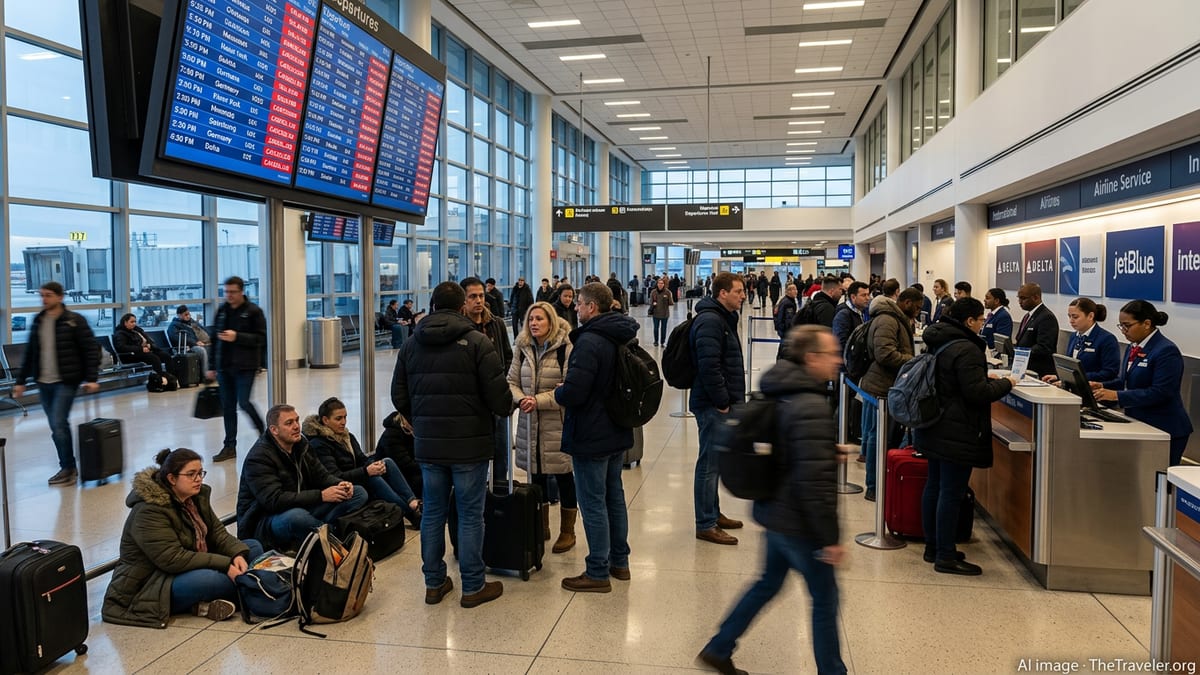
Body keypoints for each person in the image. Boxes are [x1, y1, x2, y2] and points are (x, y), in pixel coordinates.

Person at [698, 325, 848, 675]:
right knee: (825, 600)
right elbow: (814, 482)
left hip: (774, 512)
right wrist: (830, 538)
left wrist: (826, 450)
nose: (838, 361)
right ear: (811, 358)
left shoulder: (781, 389)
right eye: (831, 354)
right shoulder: (810, 403)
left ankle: (719, 647)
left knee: (767, 584)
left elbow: (791, 449)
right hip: (801, 524)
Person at [392, 281, 513, 608]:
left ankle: (434, 583)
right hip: (470, 447)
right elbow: (500, 398)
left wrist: (418, 421)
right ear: (462, 307)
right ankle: (473, 586)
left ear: (431, 306)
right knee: (471, 514)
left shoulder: (412, 344)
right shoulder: (476, 342)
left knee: (433, 512)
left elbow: (398, 395)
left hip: (429, 446)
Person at [913, 299, 1017, 575]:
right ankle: (945, 556)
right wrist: (1006, 383)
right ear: (970, 321)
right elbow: (977, 393)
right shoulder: (967, 349)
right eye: (980, 319)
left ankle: (933, 547)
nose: (983, 323)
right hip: (956, 430)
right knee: (951, 492)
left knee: (934, 486)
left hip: (934, 424)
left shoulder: (939, 339)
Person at [103, 448, 263, 627]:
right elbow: (173, 559)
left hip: (188, 565)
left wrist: (236, 555)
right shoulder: (149, 511)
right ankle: (260, 589)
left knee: (252, 547)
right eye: (191, 474)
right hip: (151, 583)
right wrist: (226, 565)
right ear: (172, 479)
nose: (198, 479)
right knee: (212, 580)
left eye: (200, 473)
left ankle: (207, 603)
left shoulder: (194, 497)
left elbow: (218, 534)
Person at [553, 283, 638, 592]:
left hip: (591, 432)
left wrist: (559, 390)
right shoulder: (620, 334)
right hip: (616, 427)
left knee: (592, 502)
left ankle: (598, 571)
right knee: (614, 496)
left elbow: (575, 392)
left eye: (580, 304)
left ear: (591, 307)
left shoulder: (589, 341)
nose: (576, 309)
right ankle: (620, 561)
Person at [235, 405, 367, 551]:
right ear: (274, 430)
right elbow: (274, 501)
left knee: (357, 492)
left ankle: (315, 533)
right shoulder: (259, 457)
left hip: (303, 505)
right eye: (289, 423)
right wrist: (321, 496)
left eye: (297, 421)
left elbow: (321, 476)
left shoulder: (301, 444)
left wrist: (340, 484)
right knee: (297, 517)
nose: (296, 426)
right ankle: (334, 543)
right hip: (266, 520)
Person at [12, 281, 100, 486]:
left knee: (59, 423)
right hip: (44, 381)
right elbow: (31, 353)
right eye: (42, 295)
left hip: (66, 381)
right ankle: (68, 466)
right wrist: (20, 381)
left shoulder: (74, 321)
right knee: (55, 426)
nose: (44, 299)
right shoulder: (38, 321)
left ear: (60, 297)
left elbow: (90, 350)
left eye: (48, 295)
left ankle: (68, 468)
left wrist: (92, 378)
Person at [509, 302, 577, 553]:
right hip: (529, 422)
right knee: (535, 476)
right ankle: (541, 525)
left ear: (552, 321)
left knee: (563, 476)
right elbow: (511, 381)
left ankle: (567, 531)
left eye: (540, 319)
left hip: (556, 423)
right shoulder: (522, 347)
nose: (534, 323)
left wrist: (537, 401)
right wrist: (521, 399)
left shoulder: (565, 348)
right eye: (531, 319)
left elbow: (567, 388)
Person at [1093, 300, 1194, 466]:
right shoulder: (1134, 346)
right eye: (1121, 326)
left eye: (1127, 326)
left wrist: (1116, 396)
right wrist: (1103, 386)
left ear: (1147, 323)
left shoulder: (1166, 351)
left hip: (1165, 427)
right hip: (1139, 423)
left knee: (1159, 486)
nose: (1123, 331)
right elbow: (1125, 381)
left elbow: (1161, 392)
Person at [690, 272, 748, 545]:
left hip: (720, 402)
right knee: (709, 465)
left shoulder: (723, 318)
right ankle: (705, 522)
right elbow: (709, 366)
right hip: (712, 404)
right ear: (722, 293)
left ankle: (713, 513)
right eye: (738, 291)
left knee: (715, 462)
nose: (743, 296)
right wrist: (722, 401)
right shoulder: (711, 321)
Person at [304, 397, 422, 529]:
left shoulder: (347, 436)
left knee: (387, 462)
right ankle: (411, 513)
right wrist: (366, 471)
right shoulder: (319, 444)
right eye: (338, 419)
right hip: (343, 484)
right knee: (372, 478)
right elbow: (334, 476)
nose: (344, 422)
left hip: (357, 476)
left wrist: (374, 465)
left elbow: (362, 458)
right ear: (325, 420)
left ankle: (412, 501)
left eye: (345, 417)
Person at [859, 286, 923, 501]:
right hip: (881, 387)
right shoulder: (888, 320)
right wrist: (913, 361)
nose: (919, 310)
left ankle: (878, 483)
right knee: (879, 437)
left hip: (883, 386)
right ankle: (874, 485)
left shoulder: (894, 318)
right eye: (918, 306)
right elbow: (885, 354)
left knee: (877, 435)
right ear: (906, 303)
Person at [208, 276, 267, 463]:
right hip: (225, 367)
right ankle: (229, 446)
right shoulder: (222, 311)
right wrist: (211, 366)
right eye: (226, 292)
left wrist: (237, 337)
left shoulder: (253, 312)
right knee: (228, 407)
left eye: (233, 292)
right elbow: (215, 340)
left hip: (246, 366)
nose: (229, 296)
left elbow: (260, 339)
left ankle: (265, 435)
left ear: (242, 291)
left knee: (244, 402)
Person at [462, 277, 514, 485]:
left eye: (481, 296)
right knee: (474, 451)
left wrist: (502, 380)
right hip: (471, 401)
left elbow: (508, 355)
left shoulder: (496, 324)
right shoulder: (460, 327)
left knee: (501, 447)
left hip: (495, 398)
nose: (478, 301)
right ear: (463, 300)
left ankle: (500, 485)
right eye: (473, 296)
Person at [1042, 298, 1119, 383]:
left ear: (1090, 316)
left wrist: (1077, 378)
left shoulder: (1107, 339)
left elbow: (1110, 373)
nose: (1071, 321)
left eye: (1075, 317)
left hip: (1093, 389)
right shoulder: (1073, 336)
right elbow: (1070, 367)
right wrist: (1058, 376)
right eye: (1069, 316)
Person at [1014, 283, 1060, 379]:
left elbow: (1044, 347)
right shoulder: (1028, 316)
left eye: (1023, 298)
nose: (1019, 301)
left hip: (1040, 372)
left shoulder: (1047, 317)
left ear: (1036, 297)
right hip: (1024, 368)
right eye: (1019, 298)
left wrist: (1021, 352)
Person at [113, 313, 171, 389]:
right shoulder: (120, 333)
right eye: (132, 322)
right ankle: (160, 380)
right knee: (154, 358)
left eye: (135, 321)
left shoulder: (137, 330)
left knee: (165, 356)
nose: (134, 324)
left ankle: (171, 378)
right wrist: (141, 349)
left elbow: (148, 339)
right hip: (130, 355)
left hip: (143, 352)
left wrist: (150, 344)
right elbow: (122, 347)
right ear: (125, 322)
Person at [375, 410, 422, 498]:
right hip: (392, 476)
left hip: (408, 472)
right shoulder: (391, 434)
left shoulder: (413, 431)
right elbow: (405, 464)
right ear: (403, 418)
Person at [166, 305, 211, 376]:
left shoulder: (191, 322)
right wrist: (195, 342)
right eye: (186, 314)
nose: (188, 316)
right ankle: (205, 375)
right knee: (201, 350)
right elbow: (177, 338)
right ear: (179, 315)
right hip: (186, 347)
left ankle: (216, 372)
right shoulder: (174, 326)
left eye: (189, 314)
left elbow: (203, 329)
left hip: (198, 343)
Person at [833, 281, 870, 350]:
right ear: (853, 297)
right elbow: (840, 344)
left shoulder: (862, 311)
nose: (868, 298)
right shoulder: (843, 314)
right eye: (864, 295)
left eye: (868, 294)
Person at [649, 276, 674, 347]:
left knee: (663, 329)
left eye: (662, 283)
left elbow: (671, 302)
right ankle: (656, 341)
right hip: (656, 313)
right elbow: (650, 302)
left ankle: (662, 342)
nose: (660, 284)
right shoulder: (653, 292)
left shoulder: (668, 292)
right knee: (656, 328)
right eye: (659, 283)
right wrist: (652, 306)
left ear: (664, 284)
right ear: (657, 284)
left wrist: (667, 300)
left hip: (665, 314)